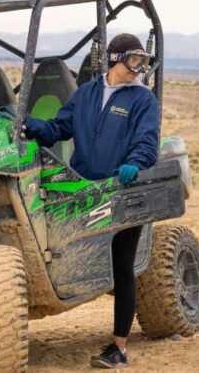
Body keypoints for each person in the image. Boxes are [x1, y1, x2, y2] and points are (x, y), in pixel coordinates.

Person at [23, 33, 160, 369]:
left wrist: (136, 163)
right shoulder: (87, 94)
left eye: (143, 62)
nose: (138, 69)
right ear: (114, 58)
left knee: (122, 267)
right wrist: (25, 126)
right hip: (84, 190)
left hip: (121, 190)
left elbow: (147, 141)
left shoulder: (143, 99)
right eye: (133, 61)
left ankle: (119, 348)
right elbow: (58, 129)